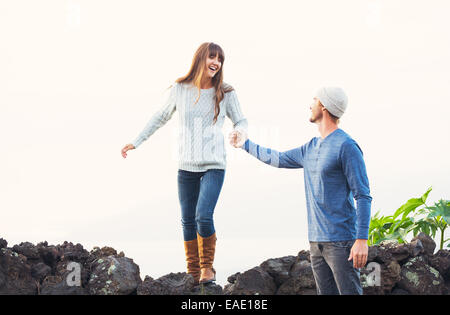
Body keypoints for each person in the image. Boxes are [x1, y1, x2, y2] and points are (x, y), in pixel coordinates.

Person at [121, 42, 248, 285]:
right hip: (186, 166)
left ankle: (207, 268)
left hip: (214, 165)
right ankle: (192, 272)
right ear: (201, 59)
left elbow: (241, 121)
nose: (216, 63)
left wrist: (238, 134)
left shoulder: (226, 92)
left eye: (220, 59)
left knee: (203, 215)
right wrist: (136, 141)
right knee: (187, 219)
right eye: (212, 57)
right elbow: (160, 117)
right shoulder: (180, 89)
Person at [230, 87, 372, 295]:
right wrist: (245, 144)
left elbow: (363, 195)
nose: (310, 104)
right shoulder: (310, 147)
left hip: (342, 242)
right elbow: (278, 158)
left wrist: (361, 240)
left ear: (324, 106)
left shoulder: (346, 146)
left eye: (314, 99)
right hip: (316, 242)